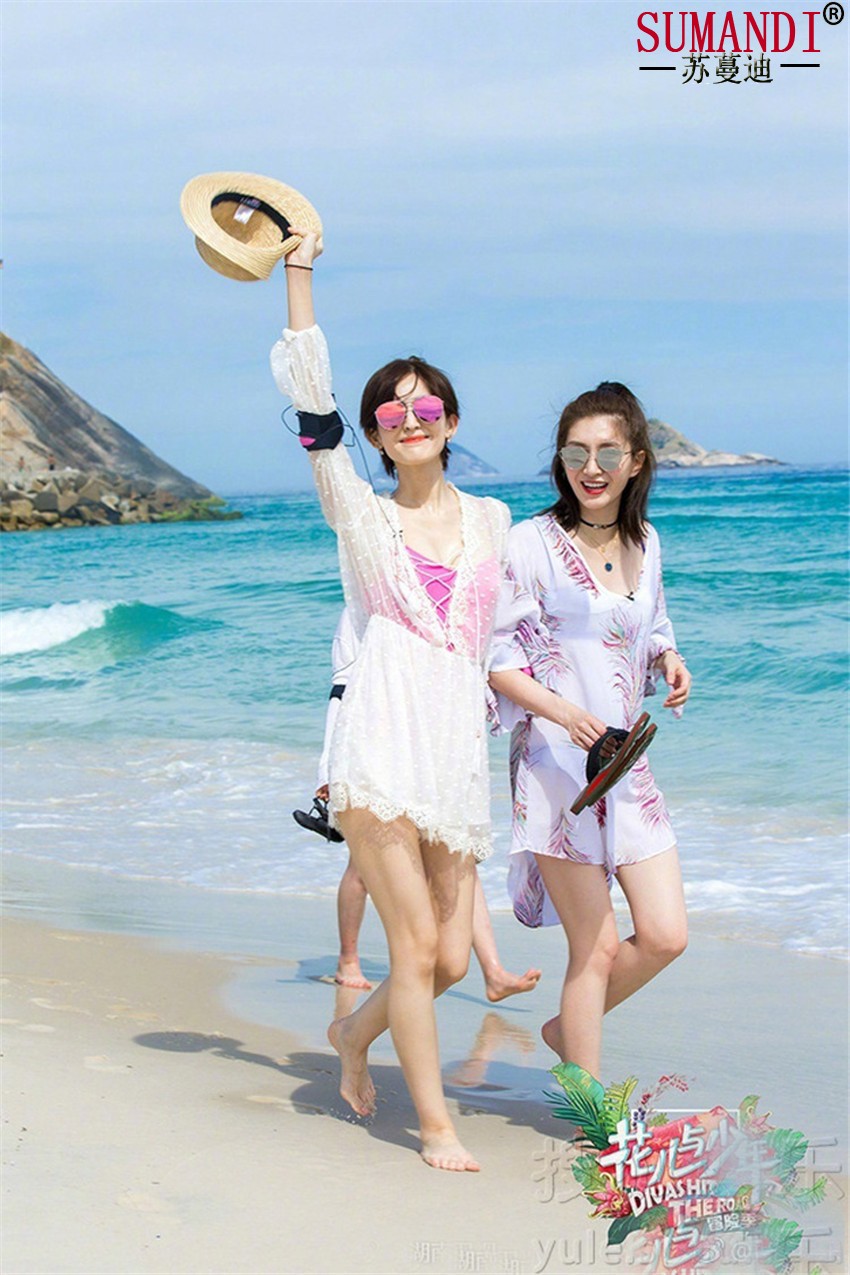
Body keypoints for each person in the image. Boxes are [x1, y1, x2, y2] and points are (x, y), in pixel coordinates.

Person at [271, 229, 526, 1172]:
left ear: (451, 421)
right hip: (379, 745)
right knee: (415, 944)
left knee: (450, 959)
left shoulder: (495, 520)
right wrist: (299, 272)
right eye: (391, 409)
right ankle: (435, 1124)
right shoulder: (361, 514)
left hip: (452, 752)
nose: (408, 418)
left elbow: (517, 633)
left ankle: (352, 1033)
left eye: (425, 406)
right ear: (375, 433)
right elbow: (313, 404)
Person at [489, 382, 691, 1083]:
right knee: (595, 948)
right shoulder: (529, 544)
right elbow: (496, 661)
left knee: (666, 934)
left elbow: (651, 622)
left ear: (636, 461)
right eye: (576, 452)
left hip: (625, 761)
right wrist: (563, 713)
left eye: (608, 452)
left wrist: (669, 659)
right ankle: (591, 1115)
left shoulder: (647, 541)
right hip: (555, 768)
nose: (591, 467)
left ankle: (565, 1031)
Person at [299, 609, 543, 998]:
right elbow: (342, 685)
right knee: (362, 866)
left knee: (459, 854)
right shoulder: (362, 605)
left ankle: (493, 972)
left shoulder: (440, 598)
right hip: (375, 744)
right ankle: (348, 959)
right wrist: (328, 767)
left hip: (432, 748)